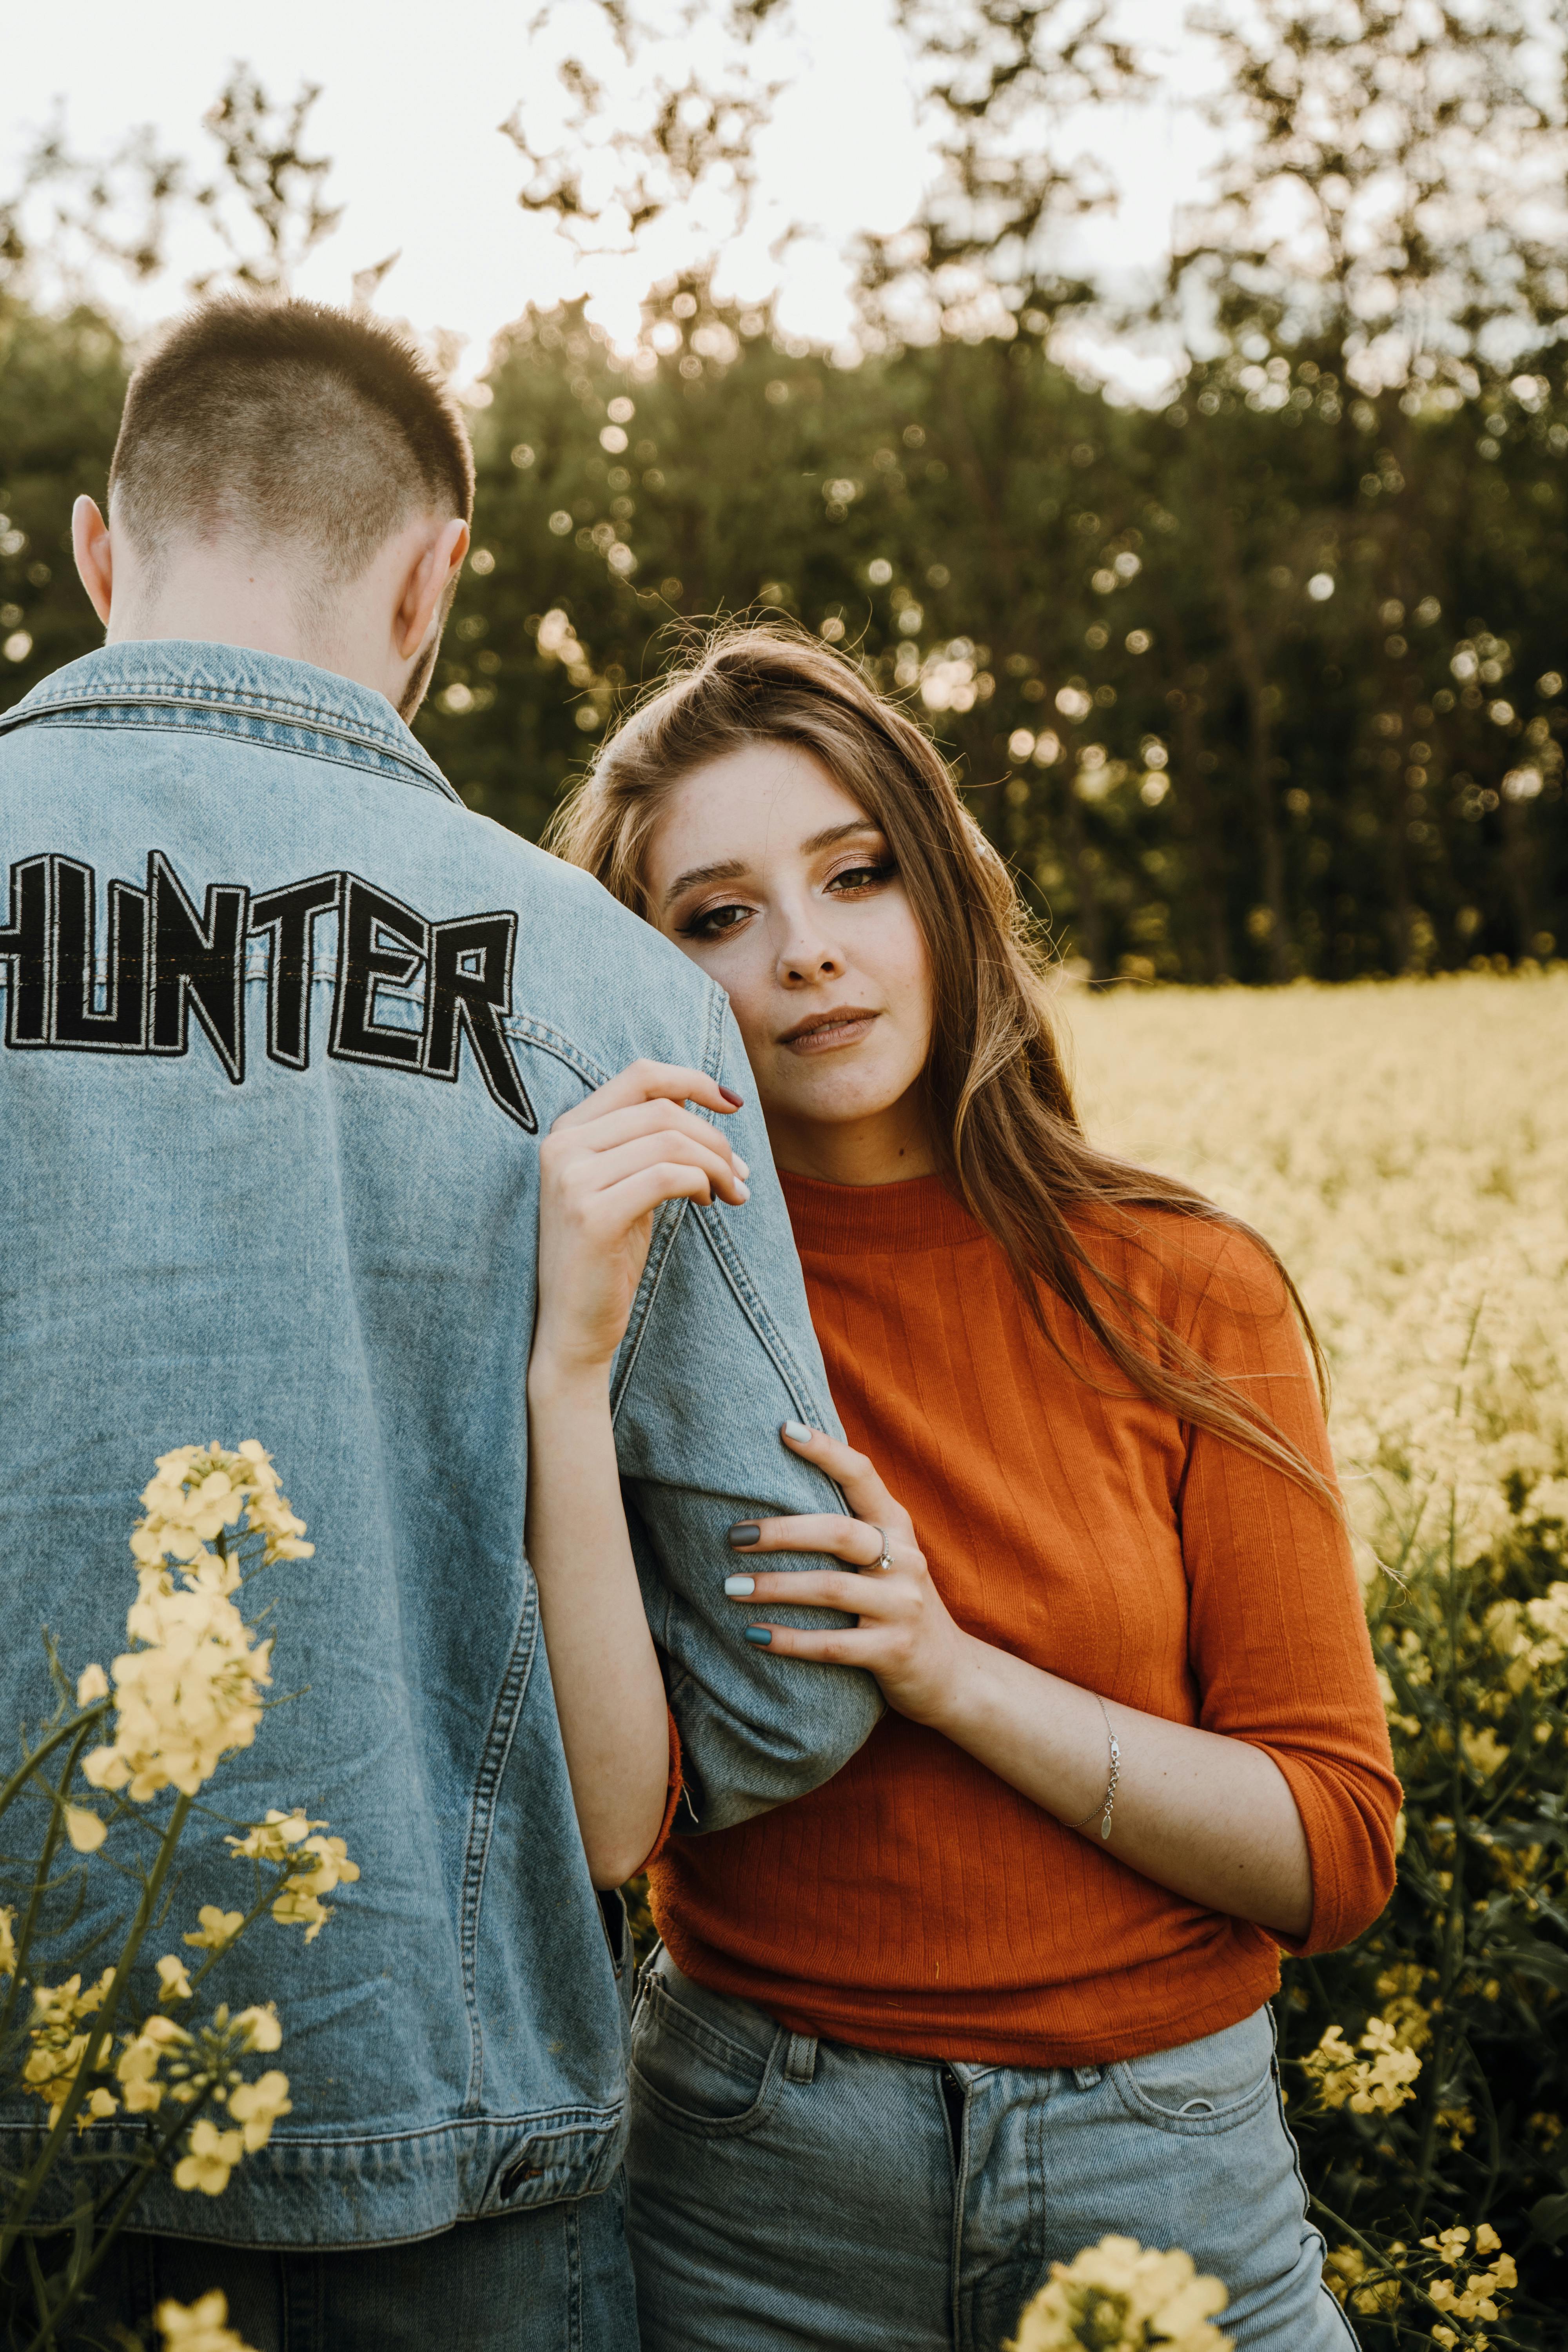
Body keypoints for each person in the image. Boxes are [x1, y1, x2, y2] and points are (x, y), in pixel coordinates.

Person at [0, 312, 880, 2350]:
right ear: (433, 578)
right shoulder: (618, 994)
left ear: (97, 557)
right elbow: (781, 1686)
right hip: (437, 2161)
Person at [541, 624, 1402, 2352]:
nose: (805, 956)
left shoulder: (1180, 1281)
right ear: (647, 974)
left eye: (853, 874)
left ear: (941, 885)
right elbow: (619, 1829)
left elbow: (1330, 1852)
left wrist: (948, 1673)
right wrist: (566, 1368)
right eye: (717, 917)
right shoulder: (634, 1300)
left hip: (1161, 2166)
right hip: (752, 2167)